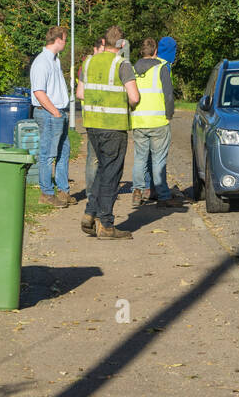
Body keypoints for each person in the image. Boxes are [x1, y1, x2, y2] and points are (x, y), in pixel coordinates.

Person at [76, 26, 139, 240]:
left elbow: (80, 93)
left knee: (102, 170)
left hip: (92, 124)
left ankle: (90, 213)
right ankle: (106, 224)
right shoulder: (123, 64)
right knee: (112, 174)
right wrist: (127, 105)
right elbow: (135, 97)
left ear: (104, 42)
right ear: (122, 44)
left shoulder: (89, 62)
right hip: (113, 126)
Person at [131, 38, 184, 208]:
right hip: (158, 121)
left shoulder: (132, 69)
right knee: (158, 160)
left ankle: (137, 192)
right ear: (155, 52)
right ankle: (163, 196)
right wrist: (169, 114)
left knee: (140, 159)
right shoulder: (161, 68)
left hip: (139, 121)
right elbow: (168, 96)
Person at [30, 26, 71, 207]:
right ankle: (46, 192)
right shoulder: (42, 62)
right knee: (47, 154)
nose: (66, 42)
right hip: (48, 113)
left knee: (63, 151)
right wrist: (54, 112)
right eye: (65, 39)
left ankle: (63, 190)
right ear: (59, 39)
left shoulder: (55, 60)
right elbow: (38, 91)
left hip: (58, 111)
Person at [78, 36, 106, 194]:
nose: (103, 54)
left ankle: (98, 191)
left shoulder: (94, 65)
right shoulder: (88, 65)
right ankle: (92, 192)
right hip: (93, 116)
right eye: (101, 51)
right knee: (94, 157)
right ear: (95, 50)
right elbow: (80, 93)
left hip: (100, 116)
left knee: (98, 157)